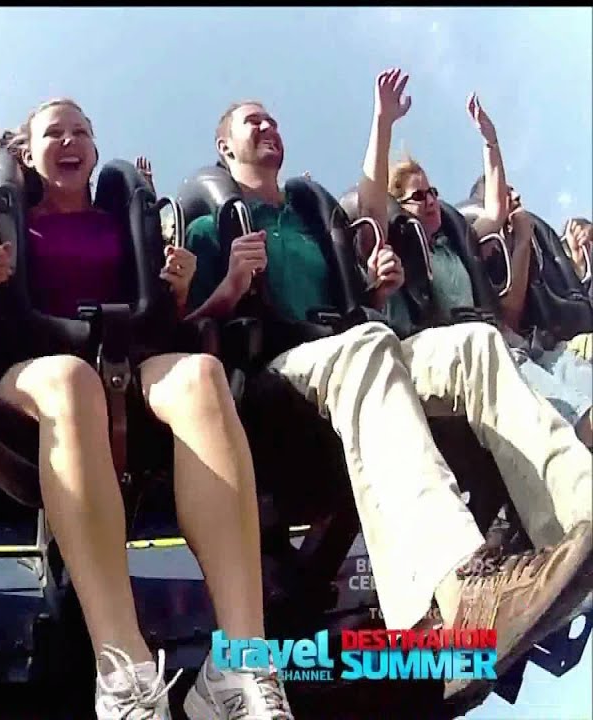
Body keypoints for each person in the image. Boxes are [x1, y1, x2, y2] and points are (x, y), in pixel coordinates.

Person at [188, 88, 592, 708]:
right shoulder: (210, 220)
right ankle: (457, 588)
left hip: (354, 348)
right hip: (276, 372)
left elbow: (372, 202)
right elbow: (191, 326)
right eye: (252, 121)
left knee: (475, 343)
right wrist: (231, 282)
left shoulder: (307, 212)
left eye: (273, 117)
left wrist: (380, 121)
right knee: (366, 345)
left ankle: (577, 518)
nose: (267, 125)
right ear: (225, 146)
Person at [0, 98, 292, 720]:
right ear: (27, 154)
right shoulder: (7, 225)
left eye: (80, 130)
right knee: (71, 382)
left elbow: (163, 324)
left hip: (124, 368)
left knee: (201, 376)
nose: (69, 140)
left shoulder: (128, 224)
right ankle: (125, 672)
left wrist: (180, 285)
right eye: (53, 132)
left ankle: (239, 666)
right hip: (30, 373)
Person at [365, 69, 593, 446]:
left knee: (576, 373)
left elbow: (497, 208)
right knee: (576, 416)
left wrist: (490, 142)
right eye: (419, 196)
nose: (431, 200)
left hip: (517, 343)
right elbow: (372, 203)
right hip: (471, 353)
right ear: (401, 206)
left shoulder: (458, 241)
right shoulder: (401, 241)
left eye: (433, 191)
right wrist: (383, 121)